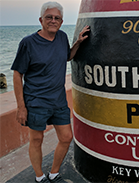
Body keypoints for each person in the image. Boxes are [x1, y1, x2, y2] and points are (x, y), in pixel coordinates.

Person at [11, 1, 90, 183]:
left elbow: (67, 56)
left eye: (57, 18)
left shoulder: (62, 37)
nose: (53, 20)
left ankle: (53, 174)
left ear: (61, 22)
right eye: (49, 17)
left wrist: (78, 42)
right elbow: (17, 75)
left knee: (66, 137)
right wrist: (21, 107)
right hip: (36, 101)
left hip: (58, 101)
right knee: (36, 139)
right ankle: (40, 178)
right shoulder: (28, 43)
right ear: (41, 20)